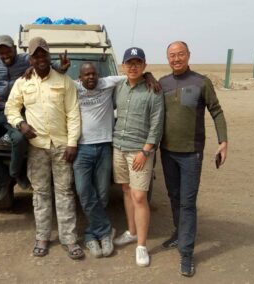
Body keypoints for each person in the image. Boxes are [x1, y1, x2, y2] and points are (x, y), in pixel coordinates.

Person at [5, 37, 84, 260]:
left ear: (49, 56)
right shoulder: (23, 82)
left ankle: (69, 239)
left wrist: (72, 142)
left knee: (65, 192)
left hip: (61, 146)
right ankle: (42, 237)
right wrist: (20, 124)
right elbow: (11, 108)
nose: (40, 58)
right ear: (30, 58)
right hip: (36, 147)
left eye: (43, 54)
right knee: (40, 193)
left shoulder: (63, 81)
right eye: (35, 55)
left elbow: (73, 113)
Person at [73, 62, 160, 258]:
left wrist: (149, 76)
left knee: (103, 194)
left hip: (105, 146)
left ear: (99, 74)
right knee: (84, 193)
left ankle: (95, 235)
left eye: (93, 73)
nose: (90, 78)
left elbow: (133, 75)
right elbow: (54, 81)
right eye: (86, 75)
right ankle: (102, 231)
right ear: (79, 77)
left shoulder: (109, 82)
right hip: (81, 148)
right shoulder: (73, 86)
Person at [0, 35, 69, 201]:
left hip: (17, 113)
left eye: (7, 51)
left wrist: (62, 67)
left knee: (21, 139)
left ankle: (15, 173)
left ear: (14, 48)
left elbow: (47, 64)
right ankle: (5, 178)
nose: (5, 55)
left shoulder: (26, 59)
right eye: (1, 52)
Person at [159, 41, 228, 277]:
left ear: (188, 55)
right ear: (167, 58)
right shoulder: (163, 83)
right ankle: (179, 234)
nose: (176, 59)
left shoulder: (201, 82)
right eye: (172, 55)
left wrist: (223, 141)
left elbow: (216, 111)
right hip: (167, 152)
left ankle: (186, 253)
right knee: (174, 196)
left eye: (180, 54)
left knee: (187, 203)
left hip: (191, 153)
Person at [112, 47, 164, 267]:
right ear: (123, 66)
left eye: (137, 63)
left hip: (139, 150)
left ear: (144, 65)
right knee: (125, 190)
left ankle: (141, 245)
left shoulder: (154, 90)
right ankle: (132, 231)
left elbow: (157, 124)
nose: (132, 67)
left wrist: (145, 151)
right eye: (129, 63)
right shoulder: (119, 88)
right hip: (118, 147)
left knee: (140, 196)